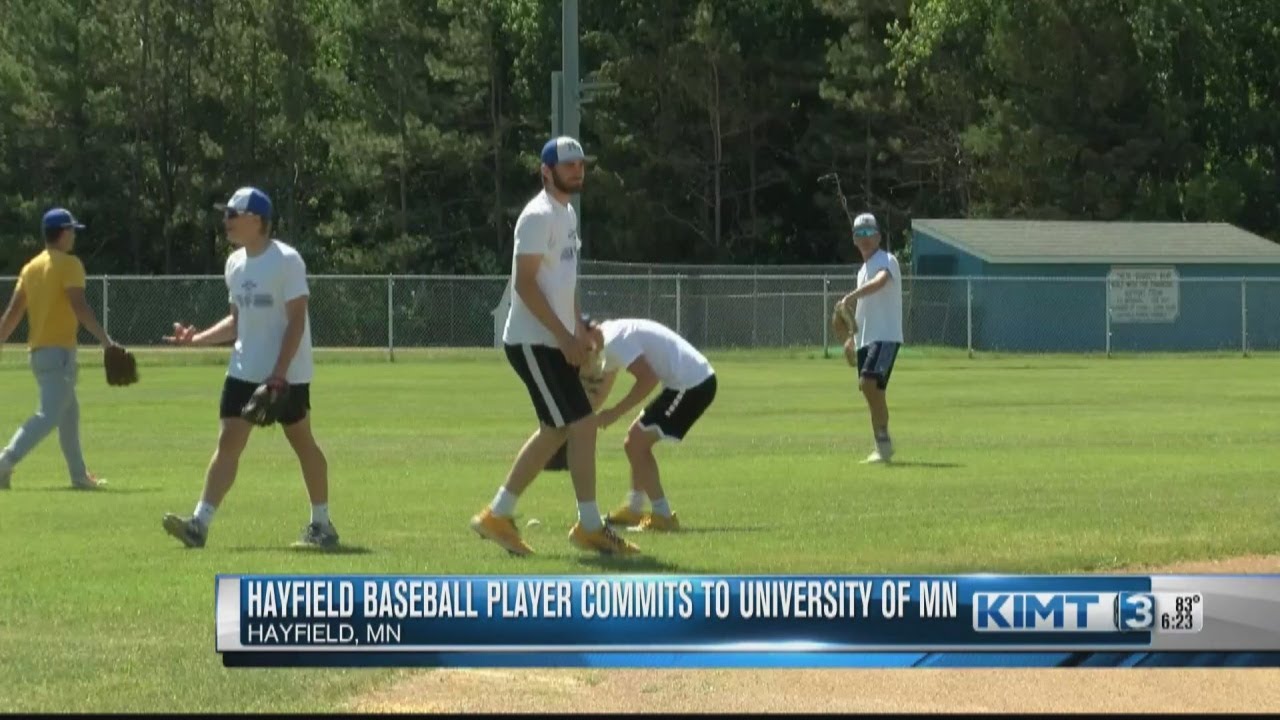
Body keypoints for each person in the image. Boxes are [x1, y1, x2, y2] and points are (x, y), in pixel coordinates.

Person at [470, 137, 640, 557]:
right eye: (568, 165)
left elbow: (564, 281)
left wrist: (580, 326)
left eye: (580, 164)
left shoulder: (566, 214)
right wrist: (563, 337)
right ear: (546, 172)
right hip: (533, 341)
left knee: (557, 429)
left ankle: (498, 514)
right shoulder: (536, 215)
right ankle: (588, 527)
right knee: (579, 424)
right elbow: (525, 285)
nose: (577, 171)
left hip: (556, 340)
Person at [160, 187, 337, 550]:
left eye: (232, 214)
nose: (225, 221)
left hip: (285, 373)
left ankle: (322, 524)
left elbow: (296, 321)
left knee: (301, 441)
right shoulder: (234, 264)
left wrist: (279, 373)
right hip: (243, 368)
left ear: (256, 220)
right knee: (228, 443)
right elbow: (236, 322)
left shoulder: (286, 260)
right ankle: (199, 524)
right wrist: (196, 341)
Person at [0, 208, 116, 490]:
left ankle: (79, 476)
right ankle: (4, 460)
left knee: (68, 415)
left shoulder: (31, 267)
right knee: (49, 415)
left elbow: (13, 313)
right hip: (59, 353)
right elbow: (79, 306)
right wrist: (106, 340)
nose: (74, 235)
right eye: (72, 230)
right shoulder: (69, 264)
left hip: (39, 353)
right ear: (63, 233)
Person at [580, 317, 718, 532]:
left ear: (591, 331)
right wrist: (580, 420)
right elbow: (601, 392)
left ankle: (663, 516)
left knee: (636, 443)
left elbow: (648, 379)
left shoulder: (613, 341)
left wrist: (615, 413)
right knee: (634, 442)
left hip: (692, 384)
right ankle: (634, 509)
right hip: (686, 382)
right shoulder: (609, 336)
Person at [837, 212, 904, 464]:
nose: (864, 238)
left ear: (878, 236)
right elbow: (862, 314)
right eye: (859, 234)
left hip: (885, 336)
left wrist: (851, 296)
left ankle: (883, 443)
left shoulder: (887, 260)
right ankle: (882, 447)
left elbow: (880, 282)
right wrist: (851, 340)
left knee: (867, 384)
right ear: (854, 240)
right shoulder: (861, 271)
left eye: (868, 233)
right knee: (874, 393)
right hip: (867, 339)